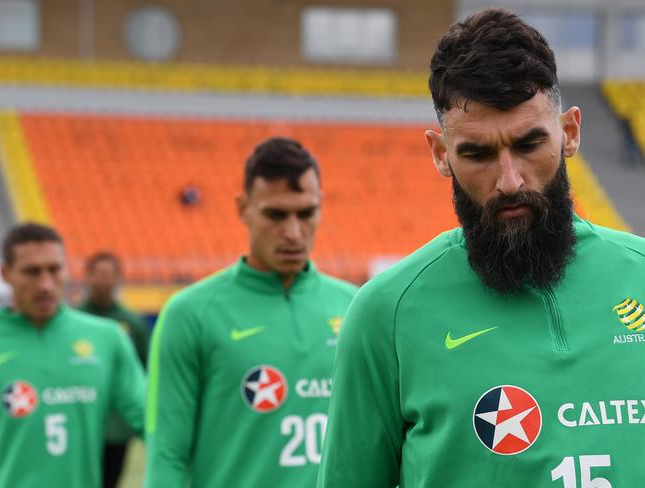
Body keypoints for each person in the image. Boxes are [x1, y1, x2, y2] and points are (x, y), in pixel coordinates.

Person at [318, 8, 645, 487]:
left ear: (569, 133)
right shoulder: (385, 314)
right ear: (440, 154)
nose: (509, 182)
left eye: (530, 144)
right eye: (477, 154)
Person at [144, 137, 357, 487]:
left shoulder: (355, 306)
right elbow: (167, 453)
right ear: (243, 208)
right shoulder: (190, 314)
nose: (293, 232)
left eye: (306, 213)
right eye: (275, 214)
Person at [0, 223, 145, 488]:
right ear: (6, 273)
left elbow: (151, 421)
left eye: (54, 270)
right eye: (32, 272)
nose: (45, 284)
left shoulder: (107, 337)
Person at [79, 251, 150, 488]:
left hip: (118, 427)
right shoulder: (73, 319)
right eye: (98, 275)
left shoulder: (132, 323)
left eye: (108, 275)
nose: (103, 282)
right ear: (87, 277)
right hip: (80, 421)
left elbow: (144, 372)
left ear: (118, 278)